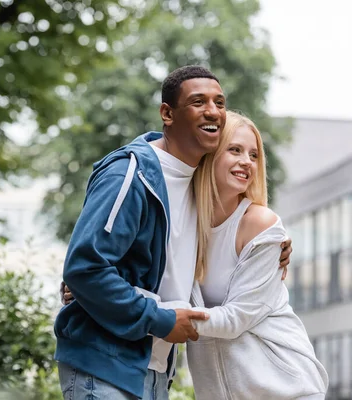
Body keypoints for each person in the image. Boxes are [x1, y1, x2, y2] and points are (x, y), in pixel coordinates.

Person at [55, 65, 293, 400]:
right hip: (106, 362)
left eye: (220, 102)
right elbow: (85, 268)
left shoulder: (195, 189)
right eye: (198, 102)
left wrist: (271, 244)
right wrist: (160, 318)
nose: (212, 110)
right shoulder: (131, 173)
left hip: (155, 370)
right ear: (167, 113)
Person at [138, 111, 328, 399]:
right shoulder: (180, 223)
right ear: (210, 153)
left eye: (253, 155)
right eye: (235, 150)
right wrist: (97, 291)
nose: (246, 162)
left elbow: (233, 320)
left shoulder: (260, 224)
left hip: (284, 390)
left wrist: (146, 311)